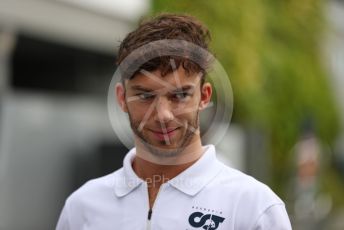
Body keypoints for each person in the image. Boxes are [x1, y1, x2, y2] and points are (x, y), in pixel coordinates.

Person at [56, 13, 292, 230]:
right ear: (122, 98)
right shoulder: (82, 207)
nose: (162, 115)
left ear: (205, 97)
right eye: (145, 95)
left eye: (179, 95)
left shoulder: (254, 208)